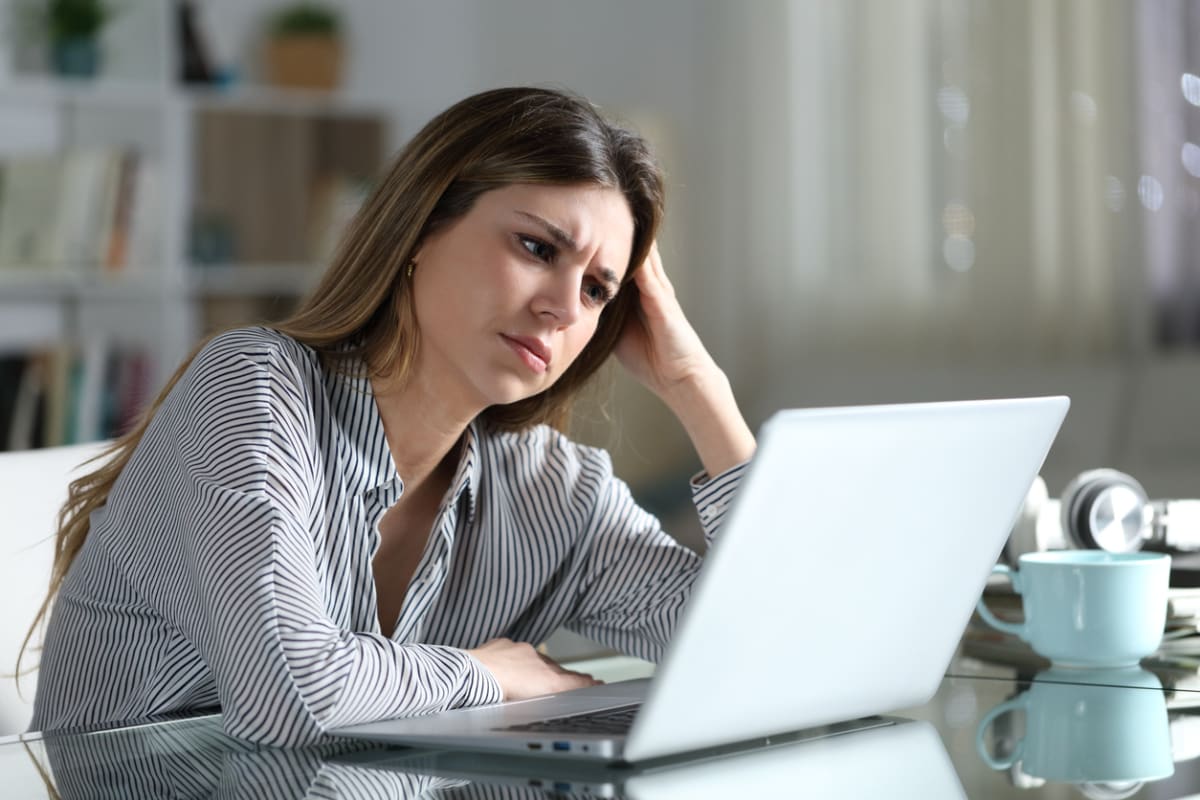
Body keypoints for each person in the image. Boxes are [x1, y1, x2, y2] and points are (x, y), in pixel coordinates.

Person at [22, 86, 756, 747]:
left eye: (598, 290)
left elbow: (764, 647)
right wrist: (488, 674)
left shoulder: (550, 492)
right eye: (537, 247)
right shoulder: (252, 390)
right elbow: (289, 699)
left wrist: (698, 387)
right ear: (418, 232)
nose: (564, 307)